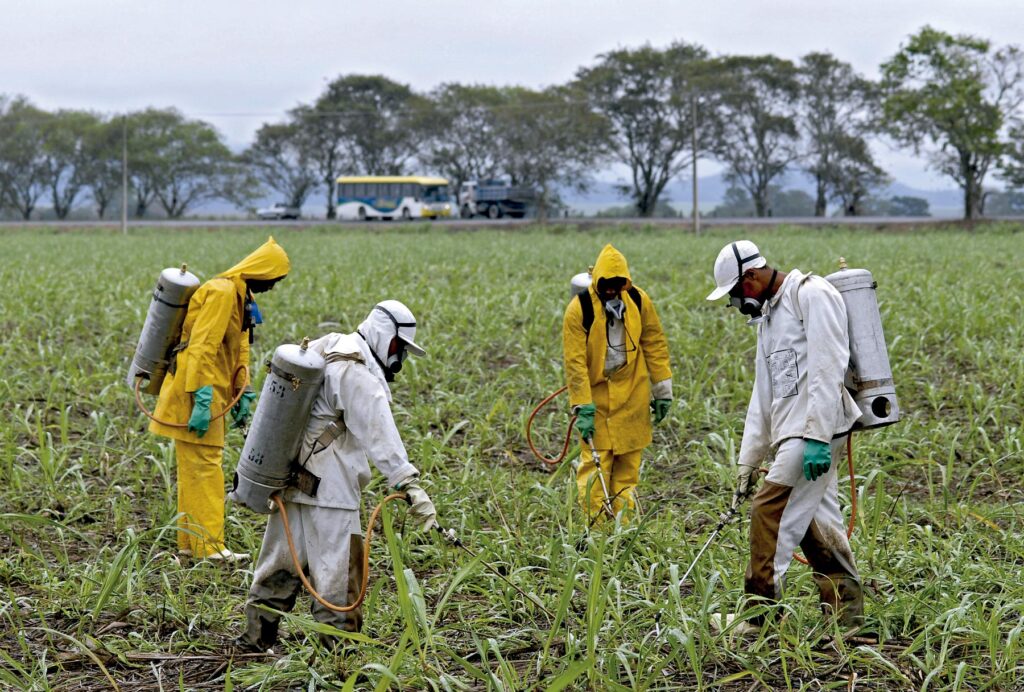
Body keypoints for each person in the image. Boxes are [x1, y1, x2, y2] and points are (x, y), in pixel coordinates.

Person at [238, 300, 438, 651]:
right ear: (383, 334)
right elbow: (380, 435)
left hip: (291, 482)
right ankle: (337, 656)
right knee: (338, 575)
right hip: (332, 491)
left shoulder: (328, 346)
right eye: (398, 348)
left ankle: (256, 640)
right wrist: (409, 484)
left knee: (279, 564)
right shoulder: (358, 374)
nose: (399, 359)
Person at [705, 240, 864, 633]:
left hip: (814, 434)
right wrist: (748, 460)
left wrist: (816, 436)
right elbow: (763, 396)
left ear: (752, 277)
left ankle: (759, 617)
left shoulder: (812, 294)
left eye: (737, 294)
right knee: (818, 525)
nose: (738, 304)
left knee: (768, 513)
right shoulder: (769, 320)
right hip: (792, 435)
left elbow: (829, 366)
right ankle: (849, 620)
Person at [149, 237, 290, 561]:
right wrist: (200, 397)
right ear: (262, 272)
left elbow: (238, 349)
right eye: (275, 280)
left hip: (211, 391)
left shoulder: (241, 297)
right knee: (205, 467)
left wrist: (243, 391)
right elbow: (201, 347)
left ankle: (190, 545)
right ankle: (210, 547)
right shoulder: (222, 292)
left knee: (195, 469)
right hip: (196, 391)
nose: (274, 286)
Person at [562, 244, 673, 524]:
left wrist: (662, 391)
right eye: (606, 284)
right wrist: (582, 407)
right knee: (595, 469)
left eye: (617, 284)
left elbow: (654, 343)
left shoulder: (638, 300)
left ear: (625, 282)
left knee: (627, 471)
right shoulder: (580, 310)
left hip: (633, 397)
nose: (611, 290)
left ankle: (622, 530)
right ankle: (597, 532)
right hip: (597, 400)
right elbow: (575, 363)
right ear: (597, 281)